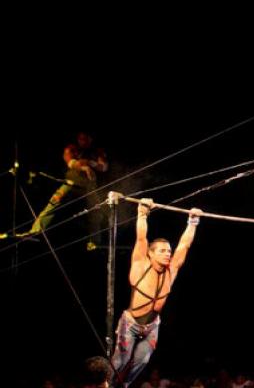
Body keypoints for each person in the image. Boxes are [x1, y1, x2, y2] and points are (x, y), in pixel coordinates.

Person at [110, 199, 202, 387]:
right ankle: (106, 384)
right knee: (120, 361)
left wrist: (192, 222)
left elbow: (184, 245)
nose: (168, 254)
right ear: (151, 254)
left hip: (152, 326)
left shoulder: (171, 270)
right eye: (162, 251)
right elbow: (141, 237)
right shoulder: (140, 265)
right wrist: (142, 212)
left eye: (168, 251)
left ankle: (123, 385)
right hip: (131, 323)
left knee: (142, 361)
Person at [9, 132, 108, 248]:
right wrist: (83, 166)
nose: (83, 141)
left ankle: (95, 243)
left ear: (90, 139)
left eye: (86, 138)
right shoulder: (72, 148)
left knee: (96, 212)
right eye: (81, 139)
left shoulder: (97, 151)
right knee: (53, 203)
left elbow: (104, 167)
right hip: (71, 184)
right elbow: (70, 162)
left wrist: (90, 162)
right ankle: (35, 231)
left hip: (89, 187)